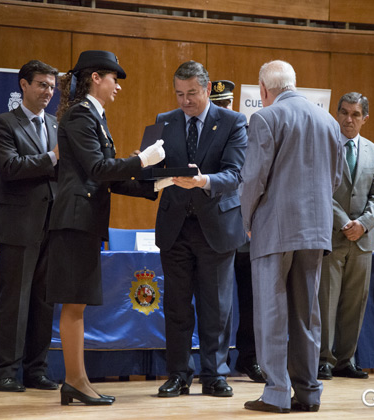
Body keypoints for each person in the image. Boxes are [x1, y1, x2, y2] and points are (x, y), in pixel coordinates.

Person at [46, 50, 164, 406]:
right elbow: (100, 169)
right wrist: (143, 159)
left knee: (78, 304)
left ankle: (76, 381)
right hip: (74, 221)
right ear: (95, 78)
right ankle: (75, 381)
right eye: (114, 79)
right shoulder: (81, 116)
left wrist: (158, 184)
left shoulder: (94, 116)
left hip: (84, 221)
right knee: (74, 304)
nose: (118, 87)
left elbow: (108, 179)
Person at [240, 60, 343, 413]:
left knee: (271, 311)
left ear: (264, 90)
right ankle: (309, 392)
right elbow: (337, 180)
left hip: (274, 227)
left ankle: (276, 393)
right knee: (307, 313)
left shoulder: (265, 118)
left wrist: (247, 217)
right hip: (316, 230)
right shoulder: (329, 121)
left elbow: (253, 177)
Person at [154, 62, 247, 398]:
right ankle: (178, 374)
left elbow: (236, 174)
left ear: (207, 90)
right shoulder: (165, 121)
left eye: (191, 93)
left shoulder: (234, 123)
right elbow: (151, 169)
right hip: (175, 227)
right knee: (177, 306)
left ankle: (215, 374)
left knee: (217, 308)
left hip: (216, 227)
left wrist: (203, 181)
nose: (185, 101)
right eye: (179, 94)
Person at [0, 60, 60, 392]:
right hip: (18, 226)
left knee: (45, 302)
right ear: (24, 85)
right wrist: (53, 158)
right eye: (42, 84)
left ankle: (36, 370)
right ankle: (4, 371)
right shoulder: (5, 123)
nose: (48, 91)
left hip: (53, 224)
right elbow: (10, 167)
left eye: (52, 86)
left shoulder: (57, 125)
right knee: (14, 302)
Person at [318, 92, 374, 380]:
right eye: (344, 112)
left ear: (364, 118)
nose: (348, 119)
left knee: (354, 303)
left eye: (355, 114)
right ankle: (324, 359)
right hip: (332, 236)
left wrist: (364, 224)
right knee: (326, 301)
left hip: (363, 240)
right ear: (337, 113)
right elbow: (321, 189)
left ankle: (346, 359)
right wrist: (346, 222)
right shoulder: (325, 146)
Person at [209, 79, 264, 383]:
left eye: (226, 103)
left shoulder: (249, 134)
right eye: (217, 104)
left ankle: (249, 358)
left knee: (252, 300)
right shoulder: (201, 136)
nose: (223, 109)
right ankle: (216, 363)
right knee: (218, 303)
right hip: (215, 227)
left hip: (247, 230)